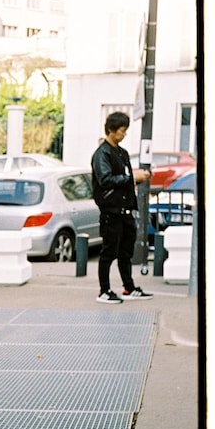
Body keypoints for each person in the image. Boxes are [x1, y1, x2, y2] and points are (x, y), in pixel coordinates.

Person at [91, 111, 154, 304]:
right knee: (109, 252)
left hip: (125, 209)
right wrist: (133, 178)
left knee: (126, 252)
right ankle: (104, 290)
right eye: (121, 130)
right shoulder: (102, 154)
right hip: (111, 210)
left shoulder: (122, 153)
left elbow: (123, 179)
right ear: (111, 130)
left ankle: (129, 287)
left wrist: (135, 179)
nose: (124, 134)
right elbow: (105, 179)